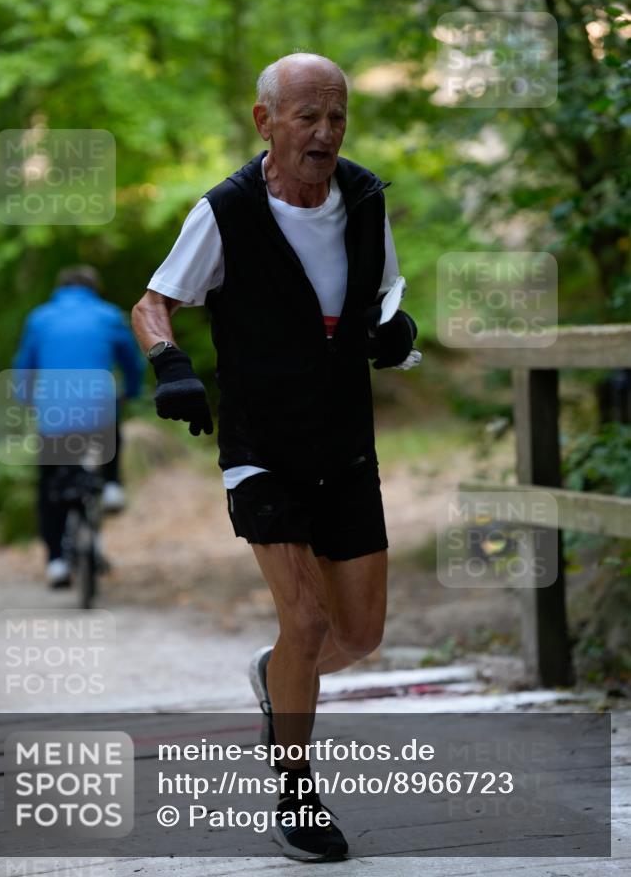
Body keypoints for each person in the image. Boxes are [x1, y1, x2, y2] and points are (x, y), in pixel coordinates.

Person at [131, 53, 419, 861]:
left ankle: (278, 671)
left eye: (337, 117)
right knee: (308, 619)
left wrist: (395, 335)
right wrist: (170, 365)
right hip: (261, 447)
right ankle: (295, 793)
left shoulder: (364, 199)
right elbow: (153, 303)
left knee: (357, 636)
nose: (325, 133)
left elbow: (383, 304)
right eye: (307, 117)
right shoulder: (225, 211)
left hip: (345, 444)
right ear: (265, 122)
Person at [13, 265, 145, 587]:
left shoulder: (40, 318)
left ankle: (56, 562)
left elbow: (24, 367)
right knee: (109, 420)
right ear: (93, 288)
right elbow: (132, 362)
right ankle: (111, 485)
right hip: (98, 407)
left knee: (49, 485)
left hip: (54, 413)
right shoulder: (108, 315)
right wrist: (131, 391)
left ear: (60, 288)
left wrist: (27, 399)